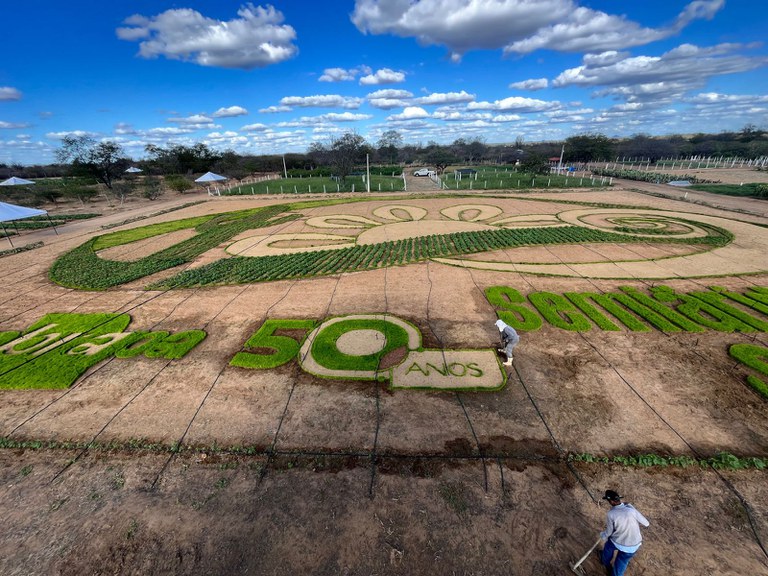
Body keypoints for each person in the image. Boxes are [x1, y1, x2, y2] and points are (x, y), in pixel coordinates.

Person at [600, 490, 650, 576]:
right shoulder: (631, 510)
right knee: (622, 561)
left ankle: (605, 562)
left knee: (608, 546)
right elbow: (646, 523)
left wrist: (603, 535)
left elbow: (609, 532)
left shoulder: (611, 514)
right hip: (635, 545)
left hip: (619, 542)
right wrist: (631, 506)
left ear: (611, 501)